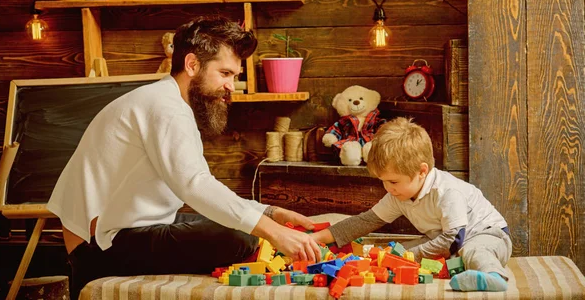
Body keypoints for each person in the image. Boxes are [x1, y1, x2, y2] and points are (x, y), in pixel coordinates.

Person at [47, 16, 321, 299]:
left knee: (240, 226)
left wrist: (269, 214)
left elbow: (202, 185)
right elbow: (195, 186)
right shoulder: (165, 108)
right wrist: (275, 232)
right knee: (243, 238)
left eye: (235, 77)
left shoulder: (167, 101)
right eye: (225, 73)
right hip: (100, 246)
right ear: (192, 65)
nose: (231, 86)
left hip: (130, 228)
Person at [310, 117, 512, 292]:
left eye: (393, 182)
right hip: (447, 240)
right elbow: (365, 221)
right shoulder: (399, 194)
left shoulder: (446, 191)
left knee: (473, 251)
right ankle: (467, 270)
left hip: (488, 235)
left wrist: (410, 256)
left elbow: (454, 239)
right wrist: (316, 239)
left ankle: (493, 276)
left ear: (422, 171)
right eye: (383, 181)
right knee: (398, 250)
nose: (388, 188)